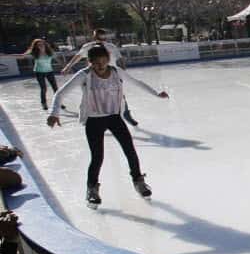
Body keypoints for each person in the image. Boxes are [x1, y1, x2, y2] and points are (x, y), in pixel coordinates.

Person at [47, 44, 169, 208]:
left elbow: (136, 82)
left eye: (103, 61)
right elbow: (60, 93)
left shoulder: (116, 71)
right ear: (90, 62)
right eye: (96, 62)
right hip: (94, 120)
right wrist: (54, 113)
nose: (101, 65)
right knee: (97, 157)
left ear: (108, 59)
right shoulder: (84, 75)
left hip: (114, 117)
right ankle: (92, 189)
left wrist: (156, 93)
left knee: (130, 151)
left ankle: (138, 181)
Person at [63, 29, 139, 126]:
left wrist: (122, 70)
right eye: (98, 37)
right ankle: (91, 117)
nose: (101, 39)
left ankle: (126, 115)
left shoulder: (111, 47)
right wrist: (68, 66)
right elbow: (77, 57)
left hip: (111, 76)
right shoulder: (88, 47)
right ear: (94, 37)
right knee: (92, 96)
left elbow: (119, 58)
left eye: (103, 37)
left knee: (120, 96)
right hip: (93, 76)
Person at [19, 39, 58, 110]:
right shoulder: (34, 52)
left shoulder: (49, 51)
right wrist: (6, 55)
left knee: (55, 88)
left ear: (44, 44)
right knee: (43, 88)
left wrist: (66, 66)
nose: (41, 46)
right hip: (39, 72)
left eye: (42, 44)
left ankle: (58, 102)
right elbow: (22, 56)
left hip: (49, 71)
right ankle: (44, 103)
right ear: (36, 46)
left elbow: (57, 59)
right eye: (39, 45)